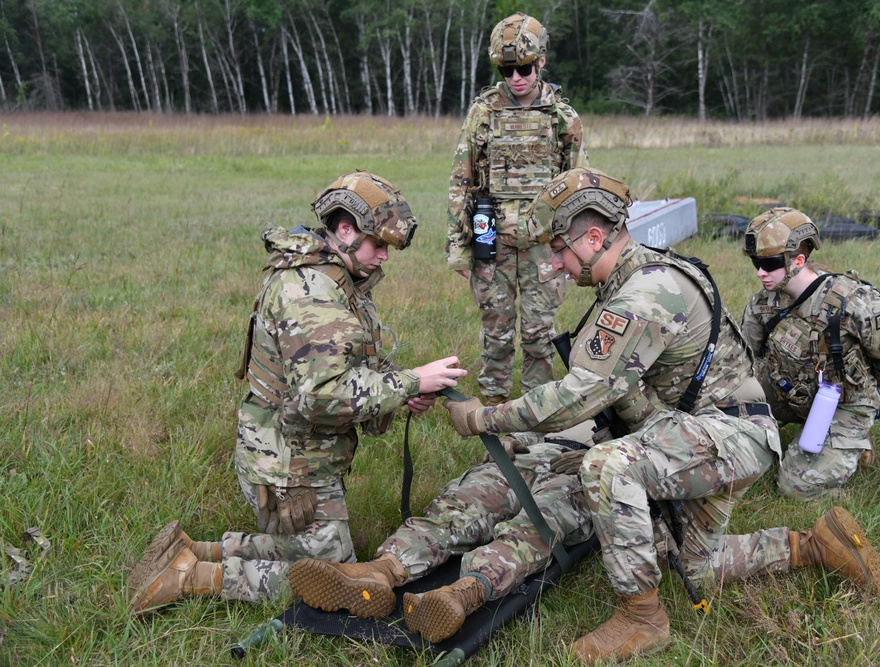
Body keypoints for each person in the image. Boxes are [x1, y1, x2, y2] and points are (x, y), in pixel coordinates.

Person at [445, 168, 880, 664]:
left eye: (558, 250)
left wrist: (485, 419)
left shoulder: (644, 294)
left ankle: (642, 619)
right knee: (699, 567)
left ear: (594, 237)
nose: (554, 266)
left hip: (728, 434)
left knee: (608, 467)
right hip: (713, 428)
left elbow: (578, 397)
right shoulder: (640, 276)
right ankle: (815, 546)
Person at [128, 171, 467, 616]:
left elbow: (346, 369)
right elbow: (321, 396)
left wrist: (401, 393)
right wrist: (409, 382)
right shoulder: (311, 293)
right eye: (378, 243)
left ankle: (205, 549)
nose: (384, 256)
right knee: (338, 576)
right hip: (290, 469)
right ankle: (191, 578)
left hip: (294, 452)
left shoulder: (333, 276)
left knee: (324, 560)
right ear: (345, 230)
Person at [287, 431, 593, 643]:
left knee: (536, 526)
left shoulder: (639, 386)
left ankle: (461, 595)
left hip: (587, 469)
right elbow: (542, 418)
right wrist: (514, 438)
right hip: (536, 453)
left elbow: (641, 451)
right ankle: (379, 571)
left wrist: (602, 458)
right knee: (459, 507)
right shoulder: (582, 378)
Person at [447, 12, 588, 406]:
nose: (516, 78)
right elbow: (462, 179)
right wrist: (459, 248)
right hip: (491, 238)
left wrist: (578, 253)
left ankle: (536, 412)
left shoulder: (562, 117)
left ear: (541, 62)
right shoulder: (483, 113)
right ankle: (492, 411)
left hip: (545, 246)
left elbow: (580, 188)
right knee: (497, 332)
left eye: (524, 68)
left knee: (539, 334)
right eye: (507, 70)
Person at [741, 207, 880, 500]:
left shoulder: (854, 303)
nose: (760, 272)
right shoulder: (762, 304)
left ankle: (851, 440)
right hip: (790, 389)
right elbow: (746, 362)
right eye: (757, 263)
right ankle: (811, 432)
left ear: (799, 260)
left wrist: (855, 391)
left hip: (843, 401)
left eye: (769, 264)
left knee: (796, 488)